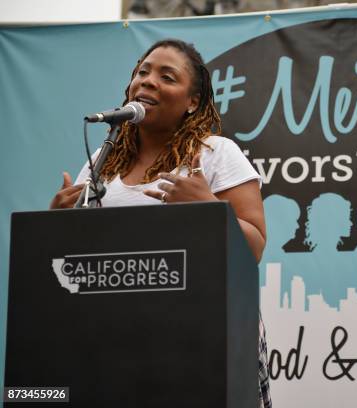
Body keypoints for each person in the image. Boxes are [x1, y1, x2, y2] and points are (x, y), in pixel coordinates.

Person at [49, 38, 271, 407]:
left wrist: (208, 208)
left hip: (201, 336)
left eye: (167, 77)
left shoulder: (215, 153)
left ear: (192, 102)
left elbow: (255, 247)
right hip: (117, 339)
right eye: (142, 72)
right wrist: (55, 227)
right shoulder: (100, 166)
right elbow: (77, 263)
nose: (148, 81)